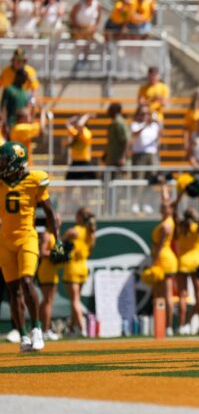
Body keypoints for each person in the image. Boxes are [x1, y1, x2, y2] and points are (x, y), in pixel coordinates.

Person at [0, 141, 60, 352]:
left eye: (5, 160)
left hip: (27, 236)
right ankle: (23, 335)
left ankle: (36, 328)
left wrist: (57, 238)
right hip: (5, 242)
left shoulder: (34, 180)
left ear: (16, 162)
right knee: (13, 290)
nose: (1, 164)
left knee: (27, 282)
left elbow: (50, 212)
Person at [61, 207, 96, 336]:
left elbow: (59, 245)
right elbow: (90, 251)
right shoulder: (90, 233)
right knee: (76, 300)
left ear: (80, 216)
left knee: (75, 300)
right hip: (83, 268)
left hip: (72, 267)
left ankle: (83, 328)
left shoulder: (73, 231)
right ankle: (72, 328)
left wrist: (58, 252)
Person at [150, 185, 178, 336]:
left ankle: (168, 326)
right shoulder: (168, 219)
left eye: (165, 207)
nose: (162, 208)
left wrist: (154, 260)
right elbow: (166, 200)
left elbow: (160, 245)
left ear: (170, 210)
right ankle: (160, 326)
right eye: (161, 206)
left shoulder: (167, 223)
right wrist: (164, 188)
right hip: (162, 257)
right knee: (158, 293)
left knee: (166, 294)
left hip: (164, 258)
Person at [174, 203, 199, 336]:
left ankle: (182, 326)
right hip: (196, 263)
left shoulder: (180, 228)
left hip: (182, 263)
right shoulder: (197, 227)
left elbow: (174, 212)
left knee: (182, 295)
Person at [130, 104, 160, 213]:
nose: (145, 116)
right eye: (142, 113)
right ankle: (135, 203)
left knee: (151, 180)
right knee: (138, 180)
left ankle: (146, 203)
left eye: (147, 113)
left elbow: (159, 136)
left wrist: (157, 122)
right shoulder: (135, 124)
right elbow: (135, 133)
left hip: (151, 155)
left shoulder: (154, 126)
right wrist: (146, 124)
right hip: (139, 155)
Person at [103, 103, 130, 178]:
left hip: (118, 161)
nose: (108, 112)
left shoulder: (119, 123)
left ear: (114, 111)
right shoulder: (114, 122)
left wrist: (123, 157)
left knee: (118, 184)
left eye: (109, 110)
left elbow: (126, 141)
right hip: (112, 159)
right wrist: (106, 154)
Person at [65, 113, 95, 180]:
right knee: (69, 186)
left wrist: (86, 115)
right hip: (75, 162)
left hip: (84, 163)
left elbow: (80, 125)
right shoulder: (75, 133)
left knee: (86, 187)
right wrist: (75, 118)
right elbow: (67, 123)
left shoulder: (87, 133)